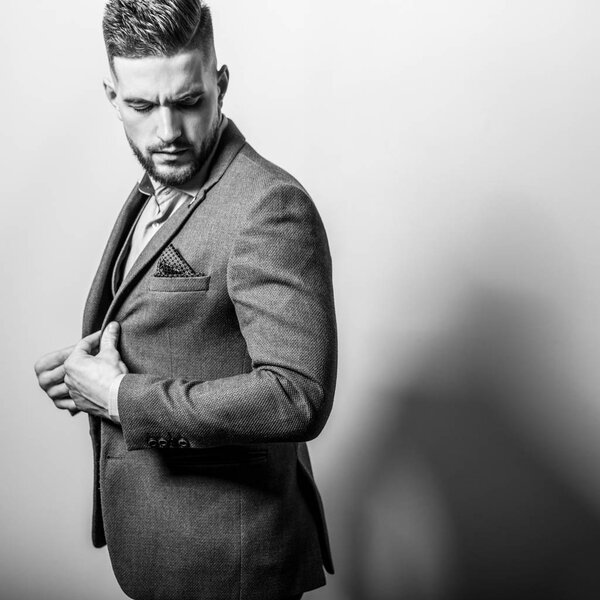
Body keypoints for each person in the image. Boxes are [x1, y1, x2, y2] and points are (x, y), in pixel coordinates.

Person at [33, 1, 337, 599]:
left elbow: (296, 395)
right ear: (112, 97)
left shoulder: (268, 207)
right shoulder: (157, 186)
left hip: (231, 563)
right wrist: (92, 368)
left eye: (188, 101)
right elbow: (190, 326)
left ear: (219, 85)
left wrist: (120, 395)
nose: (167, 132)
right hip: (169, 546)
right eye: (142, 106)